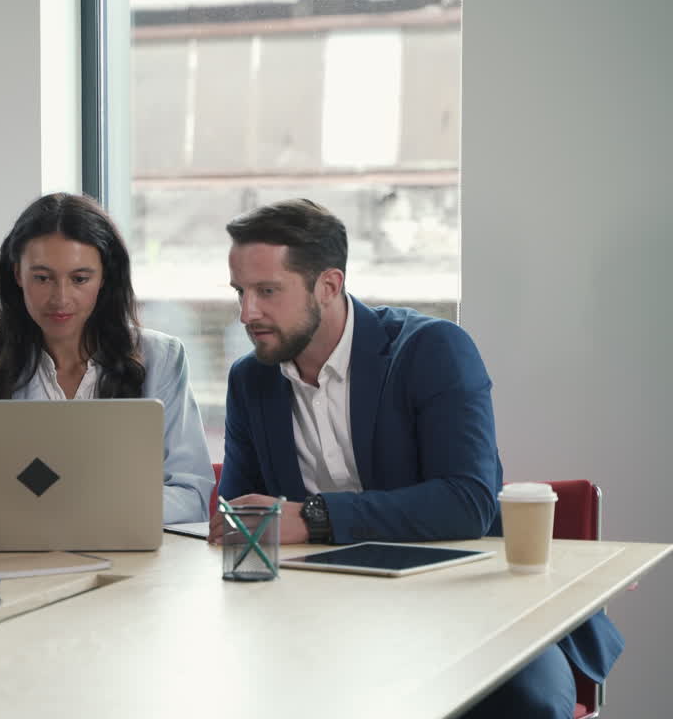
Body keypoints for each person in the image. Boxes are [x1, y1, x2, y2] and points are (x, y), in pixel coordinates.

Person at [209, 198, 621, 719]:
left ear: (329, 286)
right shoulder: (252, 380)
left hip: (468, 602)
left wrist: (314, 519)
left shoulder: (432, 350)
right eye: (240, 292)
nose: (247, 312)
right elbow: (241, 519)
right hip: (316, 615)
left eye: (267, 291)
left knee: (528, 706)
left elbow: (467, 500)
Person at [0, 192, 213, 524]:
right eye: (43, 278)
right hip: (16, 558)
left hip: (128, 560)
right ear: (17, 274)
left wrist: (83, 510)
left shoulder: (160, 357)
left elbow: (192, 495)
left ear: (105, 277)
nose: (60, 298)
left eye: (79, 279)